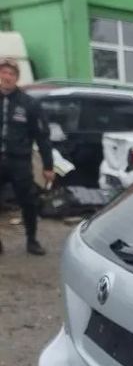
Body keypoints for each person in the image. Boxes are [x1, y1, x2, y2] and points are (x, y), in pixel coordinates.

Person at [0, 57, 52, 256]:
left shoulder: (29, 104)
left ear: (16, 78)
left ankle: (32, 240)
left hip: (19, 161)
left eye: (11, 74)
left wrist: (48, 166)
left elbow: (42, 136)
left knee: (28, 201)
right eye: (3, 73)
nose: (6, 77)